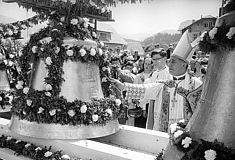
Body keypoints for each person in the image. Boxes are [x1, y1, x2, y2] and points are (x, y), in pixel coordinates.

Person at [110, 30, 202, 131]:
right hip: (164, 128)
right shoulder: (165, 83)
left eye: (173, 62)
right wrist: (123, 86)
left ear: (184, 64)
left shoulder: (196, 84)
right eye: (169, 61)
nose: (169, 65)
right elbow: (146, 89)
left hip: (186, 131)